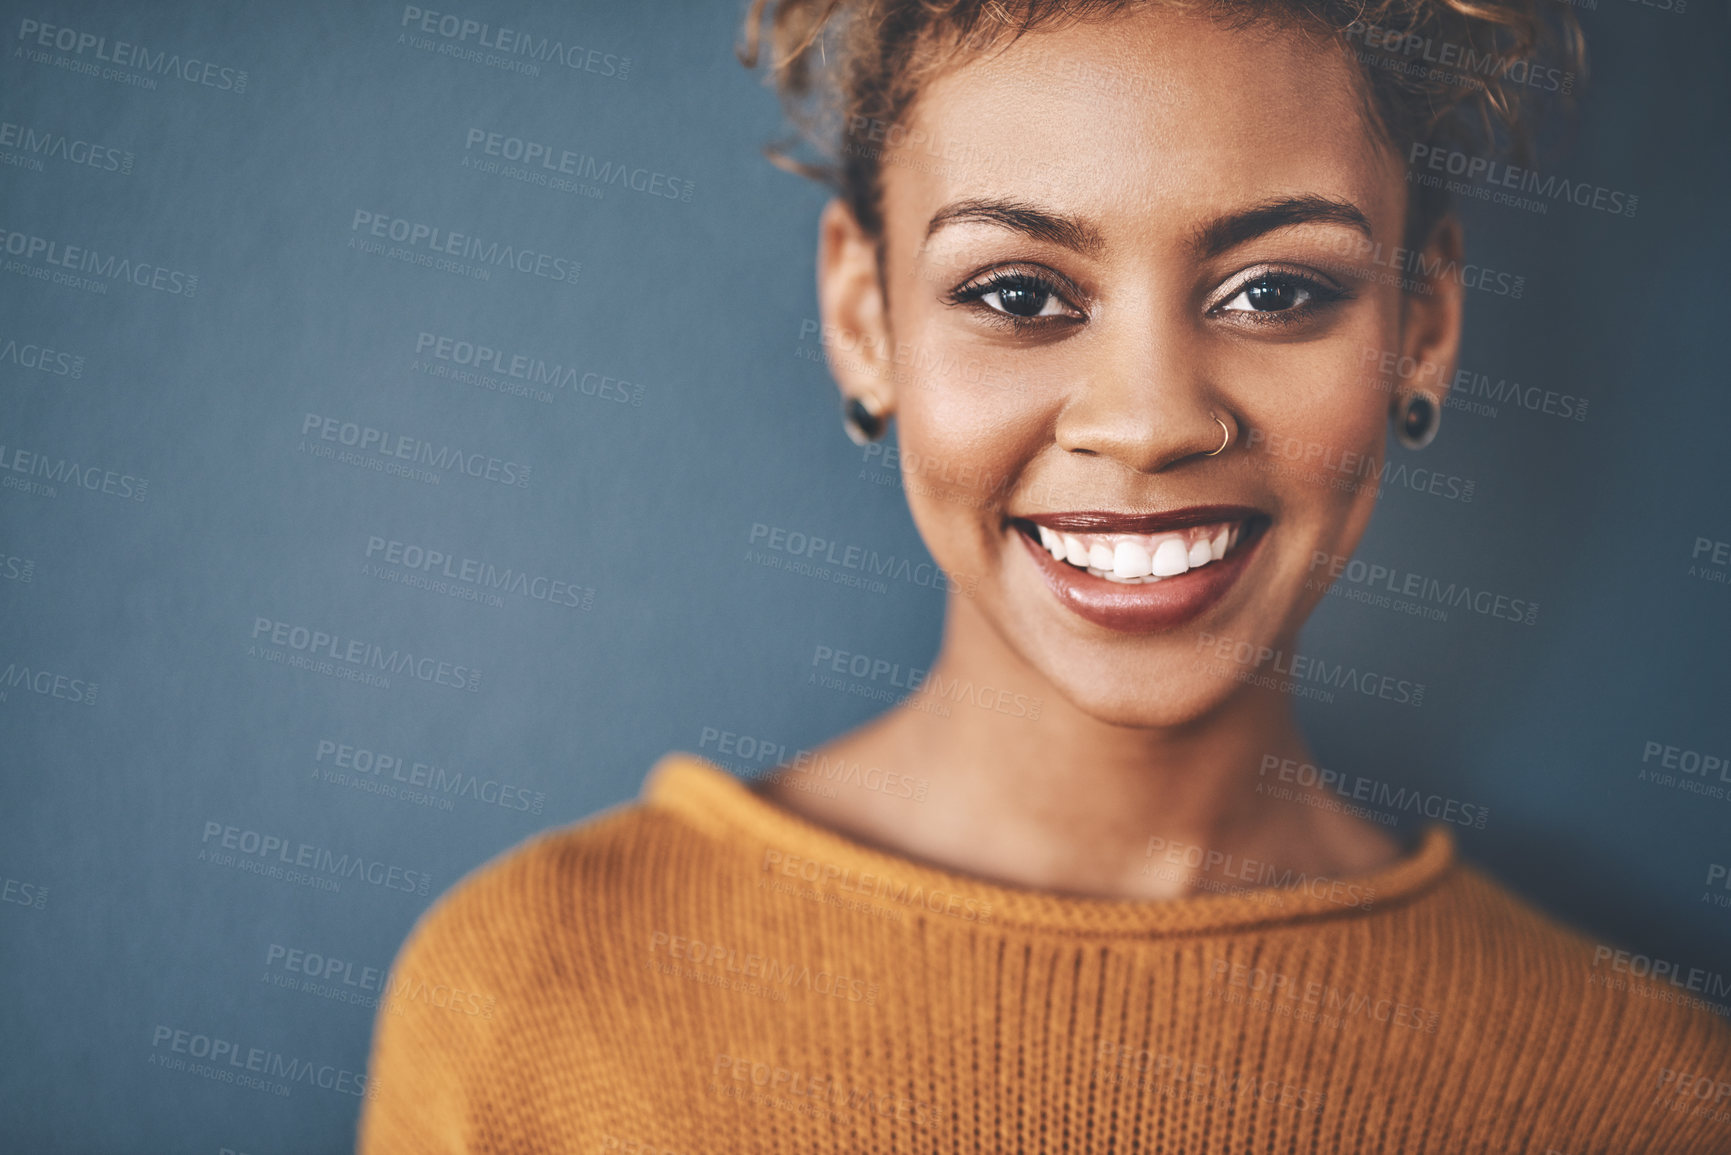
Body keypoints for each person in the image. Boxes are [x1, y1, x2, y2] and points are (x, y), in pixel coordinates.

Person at [358, 1, 1731, 1150]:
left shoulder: (1640, 1093)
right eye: (1019, 294)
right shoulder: (530, 993)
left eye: (1274, 291)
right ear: (864, 315)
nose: (1145, 421)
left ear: (1422, 324)